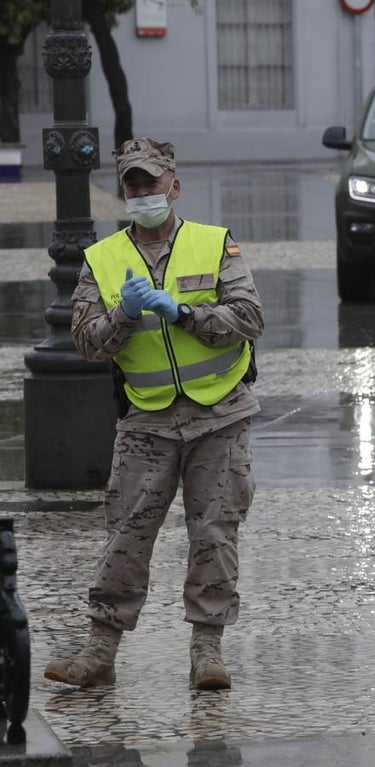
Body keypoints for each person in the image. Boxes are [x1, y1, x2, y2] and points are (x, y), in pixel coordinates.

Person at [43, 137, 263, 691]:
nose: (143, 193)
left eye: (151, 182)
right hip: (146, 421)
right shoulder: (103, 259)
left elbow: (249, 318)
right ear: (124, 193)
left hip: (220, 413)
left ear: (174, 186)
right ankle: (99, 654)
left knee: (214, 531)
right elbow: (88, 344)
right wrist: (124, 313)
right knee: (126, 534)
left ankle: (207, 652)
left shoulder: (214, 244)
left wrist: (185, 312)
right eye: (133, 185)